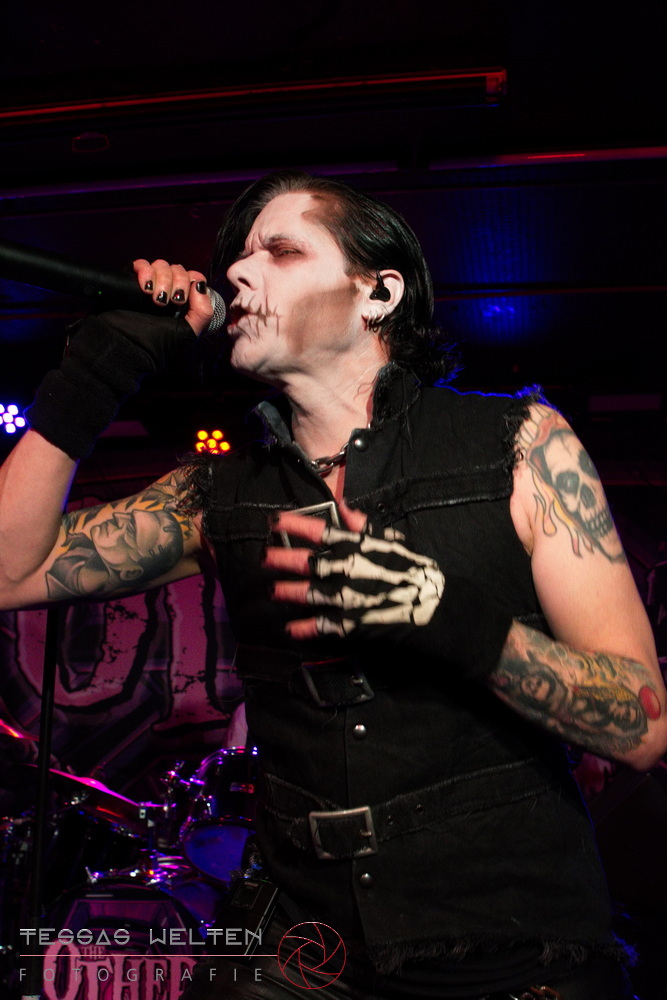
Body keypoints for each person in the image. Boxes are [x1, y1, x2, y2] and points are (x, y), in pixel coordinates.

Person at [0, 170, 665, 1000]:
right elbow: (9, 570)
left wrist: (442, 614)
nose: (237, 272)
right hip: (301, 953)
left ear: (377, 293)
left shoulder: (519, 444)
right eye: (238, 256)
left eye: (279, 251)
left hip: (511, 954)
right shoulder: (216, 491)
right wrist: (95, 376)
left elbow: (640, 724)